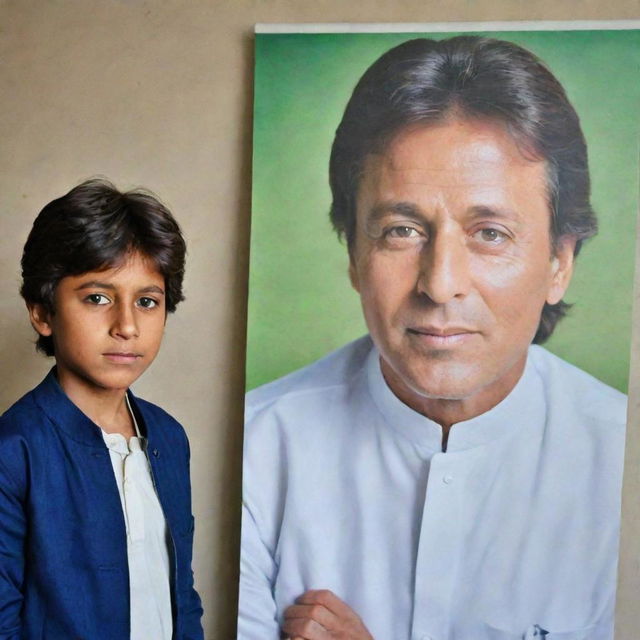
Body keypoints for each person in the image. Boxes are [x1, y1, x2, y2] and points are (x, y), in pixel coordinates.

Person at [239, 36, 627, 640]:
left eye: (490, 233)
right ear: (352, 251)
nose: (440, 285)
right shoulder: (253, 449)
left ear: (560, 262)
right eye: (401, 230)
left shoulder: (621, 461)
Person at [0, 179, 203, 639]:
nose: (127, 326)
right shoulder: (14, 451)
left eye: (147, 301)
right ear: (43, 312)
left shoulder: (169, 438)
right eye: (98, 298)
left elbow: (182, 595)